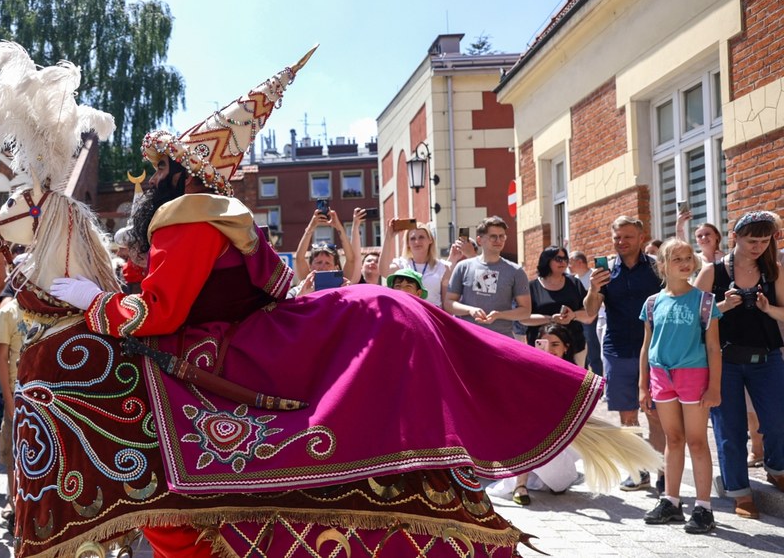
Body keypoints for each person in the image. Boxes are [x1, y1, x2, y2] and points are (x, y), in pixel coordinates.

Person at [34, 47, 615, 558]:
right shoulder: (235, 222)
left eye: (161, 167)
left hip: (224, 353)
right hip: (273, 331)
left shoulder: (182, 219)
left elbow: (159, 312)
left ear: (186, 179)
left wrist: (96, 304)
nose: (149, 176)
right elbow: (274, 287)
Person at [694, 210, 784, 520]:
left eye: (764, 240)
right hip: (723, 360)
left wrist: (767, 307)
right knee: (729, 428)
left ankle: (776, 468)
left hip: (767, 357)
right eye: (751, 240)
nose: (758, 246)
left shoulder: (774, 271)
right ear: (735, 237)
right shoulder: (713, 272)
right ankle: (739, 492)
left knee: (777, 420)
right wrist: (722, 306)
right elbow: (690, 317)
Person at [639, 238, 721, 534]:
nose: (686, 263)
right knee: (673, 439)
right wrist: (643, 385)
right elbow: (646, 346)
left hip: (695, 375)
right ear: (662, 265)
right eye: (677, 259)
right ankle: (671, 501)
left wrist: (714, 387)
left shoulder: (704, 301)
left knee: (697, 441)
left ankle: (703, 507)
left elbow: (713, 348)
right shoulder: (652, 303)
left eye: (689, 257)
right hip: (661, 376)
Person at [585, 216, 666, 492]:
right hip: (617, 350)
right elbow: (590, 310)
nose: (621, 242)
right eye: (617, 237)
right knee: (627, 415)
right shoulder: (605, 271)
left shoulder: (657, 268)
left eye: (627, 237)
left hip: (655, 351)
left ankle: (662, 473)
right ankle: (638, 471)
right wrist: (594, 288)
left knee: (655, 413)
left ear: (641, 238)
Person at [492, 323, 584, 506]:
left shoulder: (576, 379)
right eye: (544, 343)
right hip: (529, 447)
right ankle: (520, 486)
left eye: (555, 344)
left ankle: (531, 481)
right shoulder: (527, 373)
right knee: (527, 428)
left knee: (558, 485)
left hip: (558, 450)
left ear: (566, 347)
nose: (549, 349)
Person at [444, 217, 531, 337]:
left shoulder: (516, 271)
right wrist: (470, 310)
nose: (498, 240)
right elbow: (448, 303)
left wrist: (499, 315)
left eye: (502, 236)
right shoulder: (463, 267)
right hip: (468, 336)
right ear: (480, 240)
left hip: (501, 338)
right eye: (493, 236)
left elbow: (525, 311)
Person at [521, 246, 594, 365]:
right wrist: (551, 319)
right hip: (542, 348)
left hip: (574, 346)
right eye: (558, 259)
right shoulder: (532, 287)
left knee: (578, 382)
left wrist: (573, 316)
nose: (563, 262)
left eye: (565, 259)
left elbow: (589, 314)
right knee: (543, 382)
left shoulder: (574, 283)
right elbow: (523, 318)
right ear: (546, 260)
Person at [0, 282, 23, 532]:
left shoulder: (52, 308)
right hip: (17, 396)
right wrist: (8, 398)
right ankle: (15, 506)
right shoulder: (9, 312)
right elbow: (1, 357)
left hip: (46, 396)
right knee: (12, 457)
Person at [380, 220, 451, 307]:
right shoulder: (401, 264)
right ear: (408, 243)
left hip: (432, 316)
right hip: (409, 314)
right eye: (412, 238)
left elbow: (446, 304)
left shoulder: (443, 267)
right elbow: (383, 271)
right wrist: (388, 237)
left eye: (421, 237)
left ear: (430, 240)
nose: (417, 242)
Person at [294, 207, 357, 283]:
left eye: (328, 263)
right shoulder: (308, 282)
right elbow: (299, 259)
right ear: (310, 266)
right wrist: (311, 227)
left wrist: (338, 227)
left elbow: (351, 260)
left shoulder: (341, 281)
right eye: (319, 262)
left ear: (336, 267)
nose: (323, 267)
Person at [569, 250, 604, 375]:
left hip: (593, 318)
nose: (568, 265)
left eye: (570, 262)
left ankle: (597, 382)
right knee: (580, 351)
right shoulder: (573, 280)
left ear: (580, 262)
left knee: (593, 352)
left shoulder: (593, 276)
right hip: (578, 319)